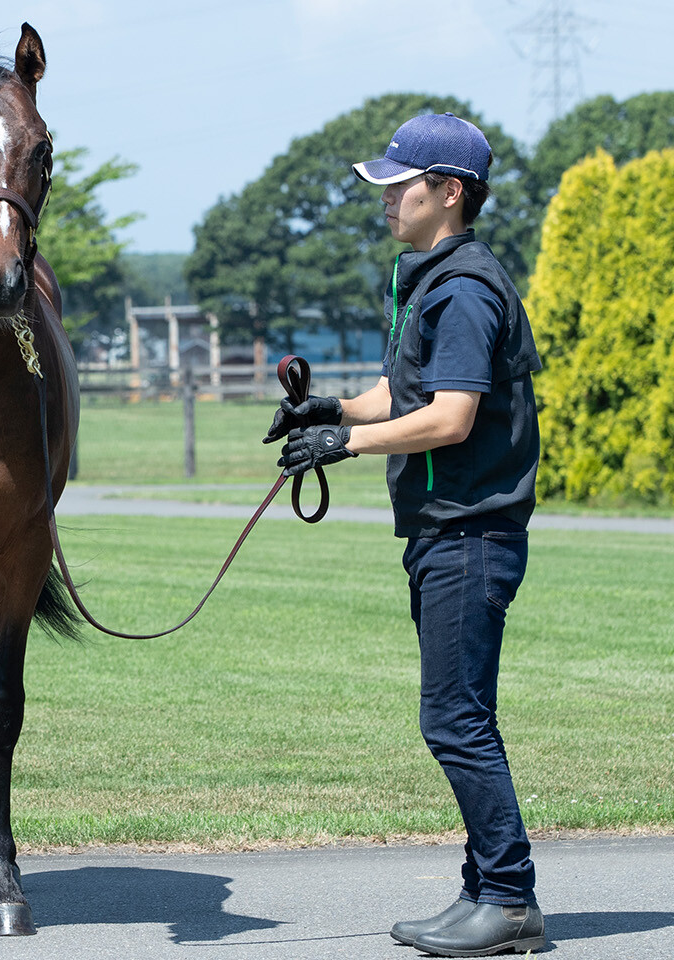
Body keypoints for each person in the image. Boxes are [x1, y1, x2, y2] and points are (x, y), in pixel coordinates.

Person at [267, 112, 546, 957]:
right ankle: (482, 892)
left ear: (448, 193)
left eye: (400, 185)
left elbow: (453, 418)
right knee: (464, 717)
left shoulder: (464, 289)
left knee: (454, 721)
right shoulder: (433, 277)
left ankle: (509, 898)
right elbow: (408, 392)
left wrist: (344, 445)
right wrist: (335, 410)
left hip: (470, 533)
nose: (386, 198)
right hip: (446, 533)